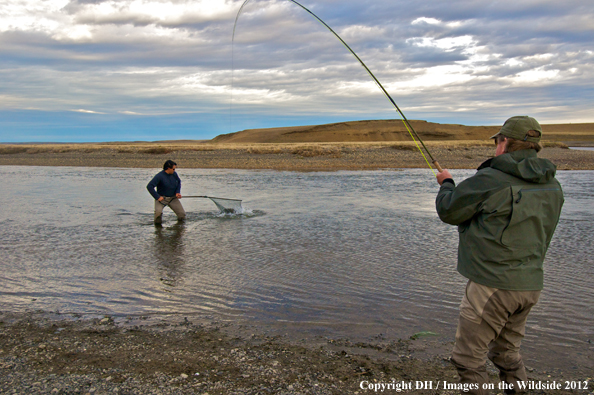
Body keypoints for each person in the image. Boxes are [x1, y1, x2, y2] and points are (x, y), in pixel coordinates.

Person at [435, 116, 564, 394]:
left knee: (468, 359)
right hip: (529, 285)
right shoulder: (553, 184)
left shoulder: (490, 179)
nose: (496, 146)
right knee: (506, 353)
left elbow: (449, 211)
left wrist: (446, 183)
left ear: (504, 142)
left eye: (497, 140)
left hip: (491, 286)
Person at [147, 160, 186, 224]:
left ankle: (180, 228)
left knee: (182, 215)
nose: (174, 170)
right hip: (161, 199)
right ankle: (158, 231)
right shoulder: (159, 176)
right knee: (158, 215)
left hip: (173, 198)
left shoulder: (174, 174)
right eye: (173, 169)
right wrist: (157, 197)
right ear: (168, 168)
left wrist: (177, 192)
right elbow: (149, 186)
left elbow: (178, 182)